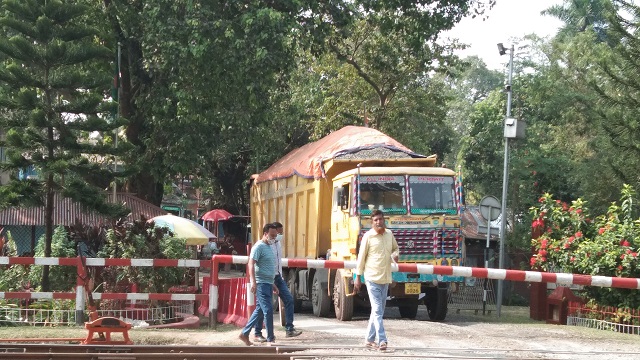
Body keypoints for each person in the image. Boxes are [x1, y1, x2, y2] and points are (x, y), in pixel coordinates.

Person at [354, 209, 399, 351]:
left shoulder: (389, 234)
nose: (378, 222)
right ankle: (382, 340)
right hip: (372, 278)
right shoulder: (368, 237)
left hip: (385, 278)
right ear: (372, 222)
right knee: (378, 311)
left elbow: (395, 249)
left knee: (377, 311)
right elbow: (360, 259)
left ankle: (369, 339)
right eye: (376, 220)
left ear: (384, 220)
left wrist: (395, 255)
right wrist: (358, 278)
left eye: (380, 219)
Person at [253, 222, 302, 342]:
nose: (278, 236)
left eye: (279, 234)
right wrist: (253, 281)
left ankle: (289, 329)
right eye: (276, 234)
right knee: (263, 308)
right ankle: (257, 333)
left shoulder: (277, 243)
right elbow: (252, 263)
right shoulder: (263, 246)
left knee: (289, 299)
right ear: (268, 233)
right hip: (265, 279)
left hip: (278, 278)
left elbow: (278, 262)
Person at [238, 223, 279, 346]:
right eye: (272, 235)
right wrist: (254, 282)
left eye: (275, 236)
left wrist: (272, 284)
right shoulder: (258, 247)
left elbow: (268, 267)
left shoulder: (269, 247)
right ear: (265, 234)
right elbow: (251, 265)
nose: (273, 238)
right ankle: (270, 338)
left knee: (260, 311)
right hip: (261, 284)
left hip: (267, 283)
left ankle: (244, 333)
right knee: (268, 310)